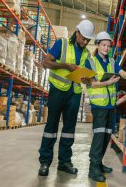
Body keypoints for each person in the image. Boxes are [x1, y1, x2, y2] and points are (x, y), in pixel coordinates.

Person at [38, 20, 95, 177]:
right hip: (57, 90)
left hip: (75, 93)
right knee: (51, 127)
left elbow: (86, 76)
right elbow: (46, 62)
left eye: (88, 40)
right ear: (77, 32)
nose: (85, 42)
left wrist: (85, 78)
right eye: (83, 38)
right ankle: (45, 162)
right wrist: (66, 66)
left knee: (69, 130)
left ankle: (64, 162)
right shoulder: (61, 44)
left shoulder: (86, 54)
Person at [82, 31, 126, 182]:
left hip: (110, 106)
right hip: (99, 106)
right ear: (98, 45)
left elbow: (121, 71)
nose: (106, 48)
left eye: (108, 46)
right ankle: (93, 169)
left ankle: (98, 163)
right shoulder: (90, 62)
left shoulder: (112, 61)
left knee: (106, 136)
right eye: (103, 45)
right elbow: (91, 83)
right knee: (99, 137)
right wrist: (108, 83)